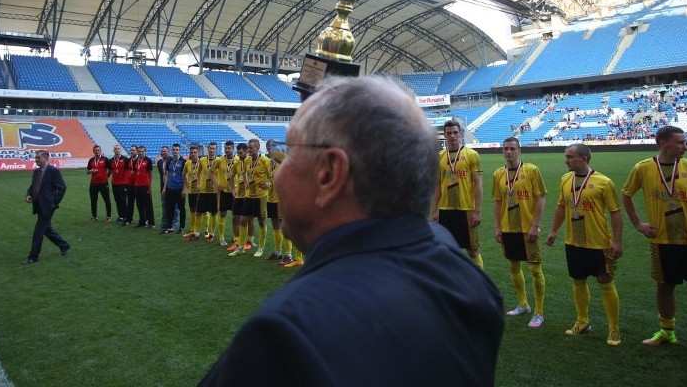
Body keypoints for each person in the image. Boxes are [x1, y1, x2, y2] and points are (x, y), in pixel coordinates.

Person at [199, 75, 503, 386]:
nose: (277, 172)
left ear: (330, 173)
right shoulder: (469, 279)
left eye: (287, 151)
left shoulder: (286, 335)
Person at [622, 125, 687, 360]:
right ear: (664, 143)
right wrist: (638, 224)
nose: (686, 146)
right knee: (664, 286)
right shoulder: (642, 168)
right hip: (661, 240)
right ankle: (666, 331)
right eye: (680, 142)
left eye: (685, 142)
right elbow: (626, 194)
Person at [546, 143, 622, 347]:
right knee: (578, 281)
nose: (566, 160)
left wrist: (616, 241)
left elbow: (615, 212)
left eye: (570, 157)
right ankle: (582, 322)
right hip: (573, 241)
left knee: (605, 282)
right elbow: (561, 206)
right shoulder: (565, 179)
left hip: (599, 242)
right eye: (566, 156)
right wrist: (553, 230)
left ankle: (613, 328)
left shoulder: (604, 182)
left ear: (583, 159)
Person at [492, 137, 547, 327]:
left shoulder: (531, 170)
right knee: (514, 267)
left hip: (527, 229)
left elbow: (540, 198)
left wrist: (535, 225)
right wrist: (498, 227)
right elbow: (498, 202)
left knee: (534, 269)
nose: (508, 152)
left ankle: (539, 312)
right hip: (509, 228)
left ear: (519, 150)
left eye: (512, 149)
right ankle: (523, 304)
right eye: (505, 149)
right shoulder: (499, 174)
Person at [433, 119, 484, 268]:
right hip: (446, 211)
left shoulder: (472, 155)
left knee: (473, 250)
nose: (452, 136)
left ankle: (479, 284)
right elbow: (437, 185)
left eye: (455, 132)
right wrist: (434, 211)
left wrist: (477, 211)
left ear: (460, 133)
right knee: (448, 249)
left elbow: (478, 184)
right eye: (449, 133)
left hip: (466, 210)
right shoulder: (439, 157)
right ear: (444, 135)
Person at [23, 150, 70, 264]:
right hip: (38, 204)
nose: (36, 159)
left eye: (38, 157)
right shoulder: (37, 172)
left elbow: (62, 187)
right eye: (36, 157)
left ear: (46, 158)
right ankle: (64, 245)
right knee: (46, 229)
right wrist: (29, 195)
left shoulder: (53, 171)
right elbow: (33, 186)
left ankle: (33, 256)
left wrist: (54, 202)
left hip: (48, 206)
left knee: (38, 231)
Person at [213, 141, 237, 246]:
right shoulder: (219, 160)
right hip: (223, 192)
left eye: (229, 148)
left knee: (235, 215)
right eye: (225, 148)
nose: (227, 150)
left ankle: (235, 237)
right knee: (222, 214)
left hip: (234, 192)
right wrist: (216, 184)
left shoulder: (237, 160)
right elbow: (211, 172)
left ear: (233, 148)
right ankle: (221, 238)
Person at [226, 143, 248, 253]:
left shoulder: (251, 162)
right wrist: (232, 190)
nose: (238, 155)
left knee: (247, 220)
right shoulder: (237, 164)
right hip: (239, 195)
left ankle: (247, 241)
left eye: (240, 153)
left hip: (250, 196)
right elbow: (230, 177)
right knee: (235, 218)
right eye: (238, 153)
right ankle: (237, 241)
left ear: (246, 151)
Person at [162, 144, 186, 234]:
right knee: (170, 208)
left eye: (176, 150)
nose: (175, 151)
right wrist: (165, 188)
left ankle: (182, 227)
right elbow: (167, 174)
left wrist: (184, 189)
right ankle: (169, 227)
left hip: (179, 189)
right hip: (170, 188)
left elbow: (185, 176)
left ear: (179, 150)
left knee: (181, 208)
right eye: (173, 150)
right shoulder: (169, 161)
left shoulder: (183, 161)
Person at [86, 145, 112, 222]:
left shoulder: (105, 159)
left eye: (98, 150)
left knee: (107, 200)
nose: (97, 151)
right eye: (96, 150)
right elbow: (87, 171)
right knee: (93, 200)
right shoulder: (91, 160)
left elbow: (110, 170)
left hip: (103, 183)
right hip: (94, 183)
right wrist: (91, 171)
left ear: (100, 151)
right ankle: (94, 216)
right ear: (93, 151)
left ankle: (108, 216)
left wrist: (106, 177)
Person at [131, 146, 154, 228]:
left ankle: (151, 223)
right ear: (137, 152)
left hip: (145, 186)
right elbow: (135, 172)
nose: (141, 153)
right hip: (137, 186)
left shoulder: (148, 160)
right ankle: (142, 222)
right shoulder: (135, 162)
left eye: (142, 151)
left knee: (148, 205)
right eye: (139, 151)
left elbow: (150, 173)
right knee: (139, 204)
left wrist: (149, 184)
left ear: (145, 152)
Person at [182, 145, 201, 240]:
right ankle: (192, 230)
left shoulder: (202, 162)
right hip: (191, 191)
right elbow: (183, 174)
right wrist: (186, 184)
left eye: (195, 152)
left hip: (200, 191)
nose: (193, 154)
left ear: (198, 153)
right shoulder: (187, 163)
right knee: (192, 210)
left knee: (200, 211)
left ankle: (204, 231)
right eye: (191, 152)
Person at [109, 144, 129, 224]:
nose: (117, 150)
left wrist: (127, 181)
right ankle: (120, 216)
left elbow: (129, 170)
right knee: (117, 200)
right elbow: (110, 171)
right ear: (113, 150)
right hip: (114, 183)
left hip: (123, 183)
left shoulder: (125, 159)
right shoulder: (111, 160)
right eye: (115, 149)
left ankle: (126, 216)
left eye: (118, 148)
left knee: (123, 200)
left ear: (120, 150)